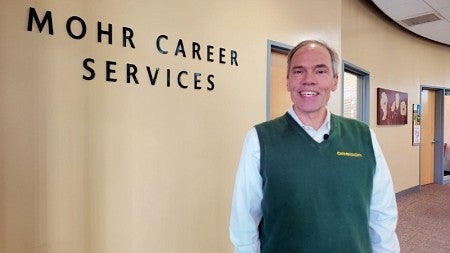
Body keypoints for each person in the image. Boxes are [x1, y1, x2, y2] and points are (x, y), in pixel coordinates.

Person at [229, 40, 400, 253]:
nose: (309, 80)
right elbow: (244, 223)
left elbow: (382, 215)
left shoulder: (364, 137)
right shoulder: (259, 139)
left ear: (335, 81)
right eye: (299, 71)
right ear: (288, 81)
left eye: (320, 71)